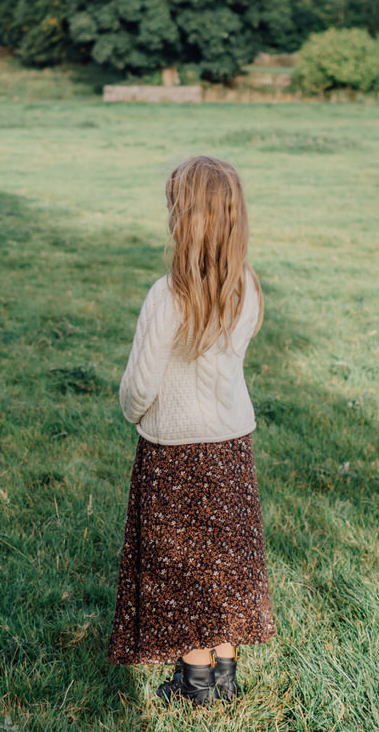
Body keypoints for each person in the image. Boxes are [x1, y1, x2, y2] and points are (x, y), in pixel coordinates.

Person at [105, 155, 276, 705]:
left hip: (174, 452)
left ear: (186, 220)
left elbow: (139, 387)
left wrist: (133, 413)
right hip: (231, 447)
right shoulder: (247, 287)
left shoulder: (166, 295)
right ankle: (225, 669)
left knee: (182, 564)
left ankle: (195, 681)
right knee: (223, 557)